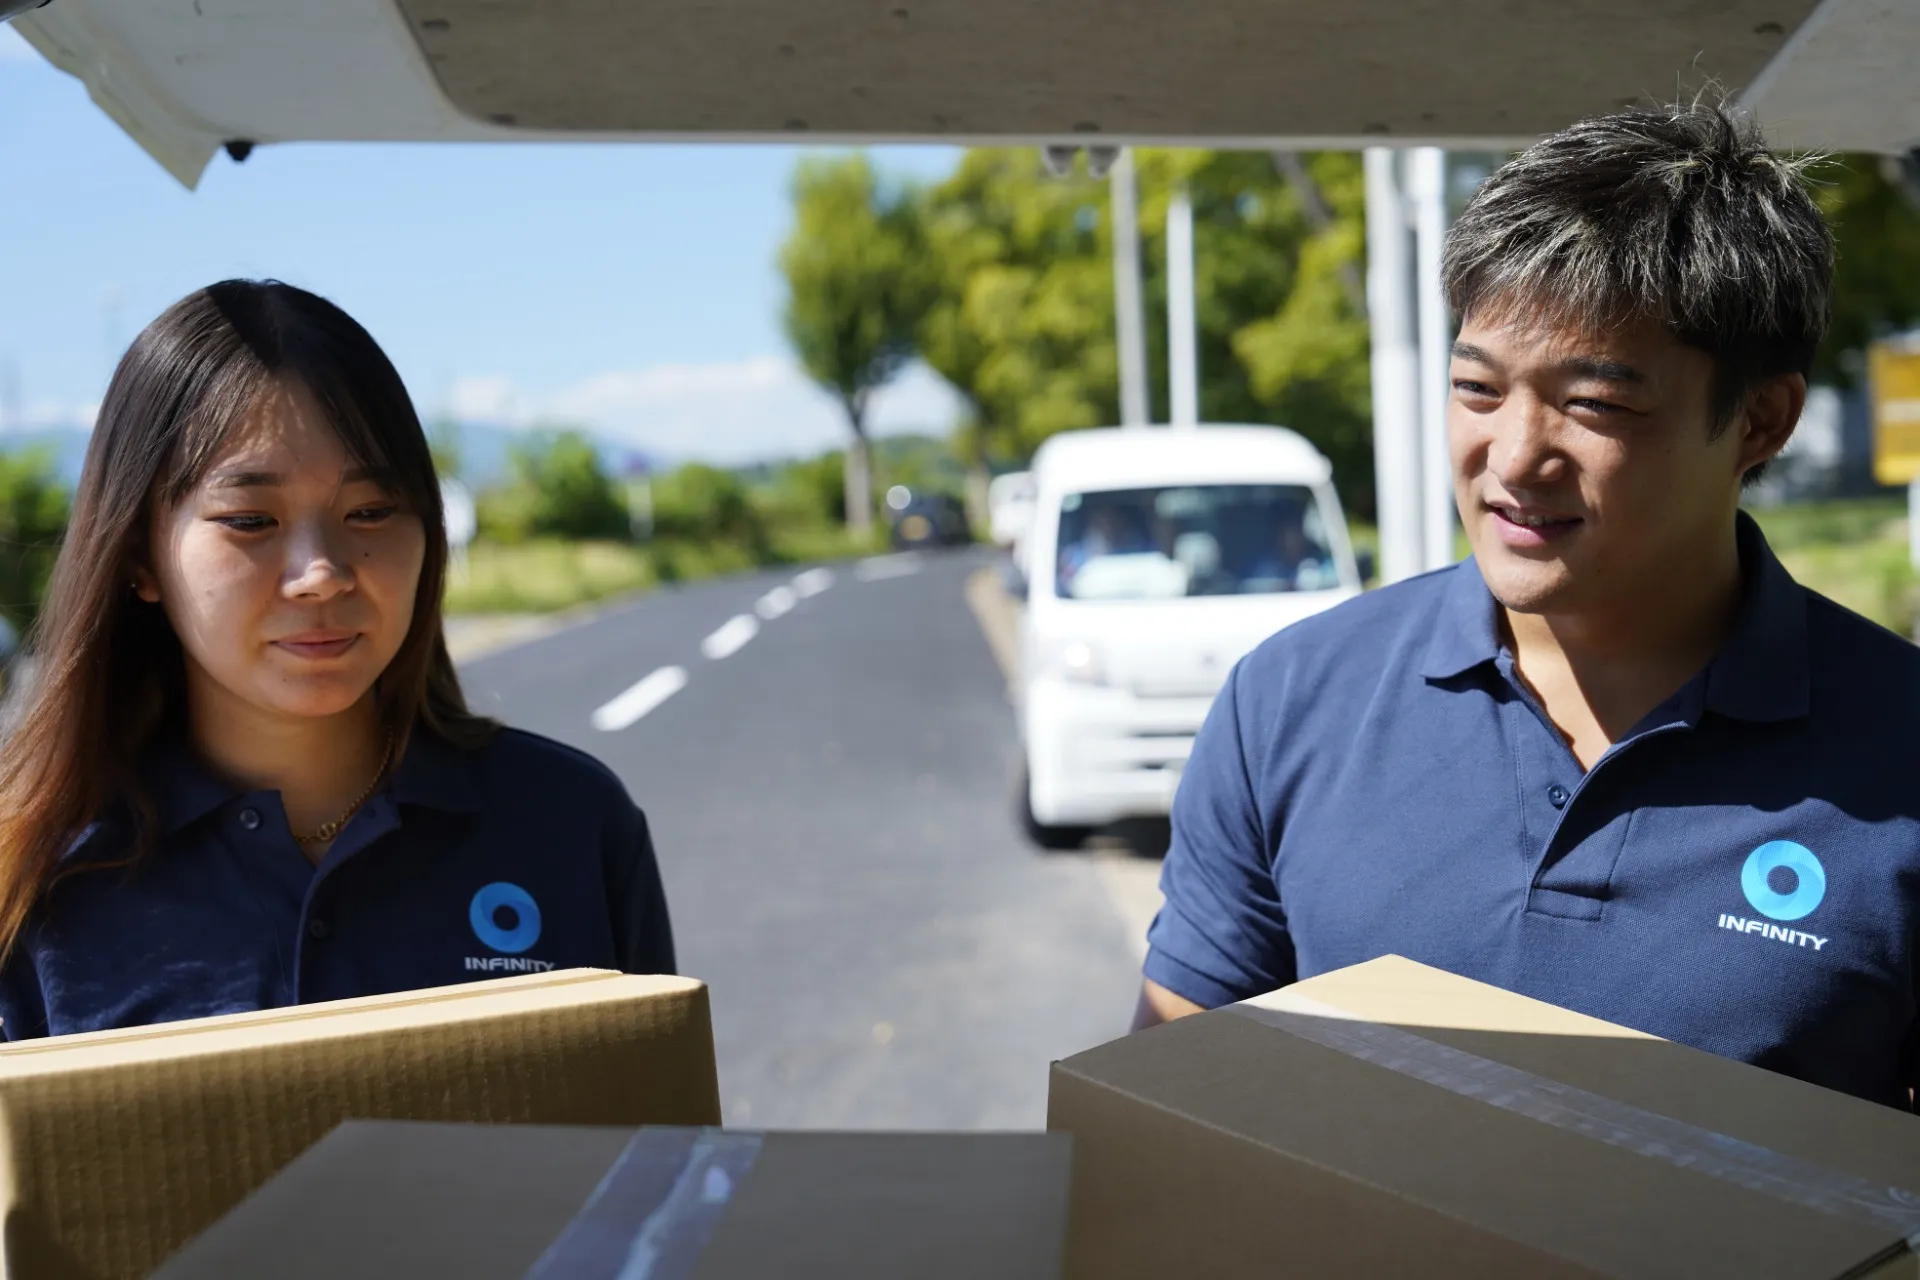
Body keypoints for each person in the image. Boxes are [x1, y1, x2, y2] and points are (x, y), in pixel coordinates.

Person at [1134, 101, 1920, 1109]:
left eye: (1594, 404)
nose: (1512, 458)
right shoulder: (1291, 702)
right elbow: (1165, 1121)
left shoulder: (1898, 747)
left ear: (1760, 421)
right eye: (1478, 387)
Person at [0, 280, 675, 1039]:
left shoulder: (572, 823)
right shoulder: (32, 881)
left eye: (371, 513)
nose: (322, 572)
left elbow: (665, 1147)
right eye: (251, 520)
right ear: (138, 558)